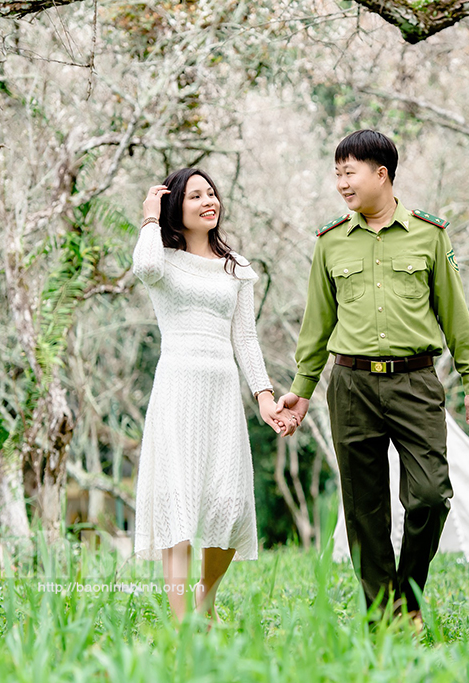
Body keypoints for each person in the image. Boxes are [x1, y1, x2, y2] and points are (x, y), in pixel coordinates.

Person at [276, 130, 469, 627]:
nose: (342, 183)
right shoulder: (330, 243)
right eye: (337, 174)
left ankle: (408, 593)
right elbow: (317, 323)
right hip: (349, 386)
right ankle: (384, 612)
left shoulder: (429, 235)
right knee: (364, 510)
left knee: (431, 496)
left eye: (349, 172)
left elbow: (454, 312)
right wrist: (301, 392)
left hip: (415, 382)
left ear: (381, 174)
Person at [131, 168, 293, 623]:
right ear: (174, 207)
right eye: (195, 195)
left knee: (228, 500)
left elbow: (246, 339)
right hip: (178, 386)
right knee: (177, 501)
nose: (209, 200)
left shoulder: (235, 267)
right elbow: (143, 269)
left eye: (212, 193)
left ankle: (206, 600)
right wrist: (148, 217)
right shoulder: (160, 256)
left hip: (221, 391)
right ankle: (183, 621)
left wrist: (264, 396)